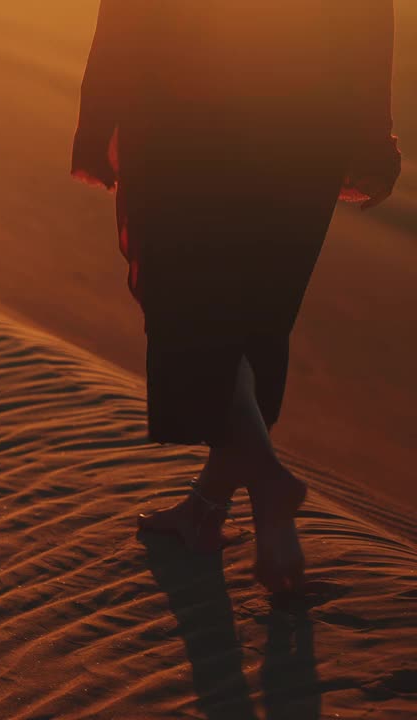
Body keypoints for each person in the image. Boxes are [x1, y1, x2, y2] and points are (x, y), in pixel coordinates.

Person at [72, 0, 402, 592]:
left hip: (191, 116)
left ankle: (268, 482)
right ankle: (213, 511)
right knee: (252, 318)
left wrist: (97, 124)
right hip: (306, 129)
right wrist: (371, 138)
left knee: (186, 309)